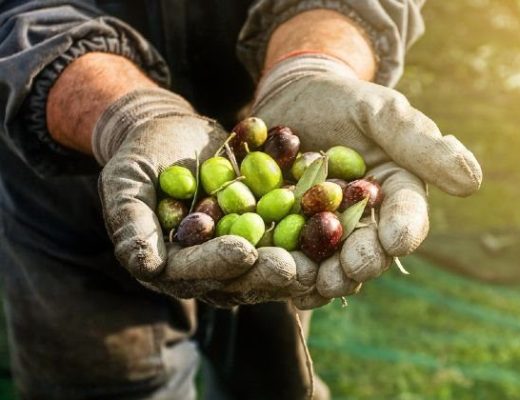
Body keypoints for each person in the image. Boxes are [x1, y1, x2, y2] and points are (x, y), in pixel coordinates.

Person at [0, 1, 482, 399]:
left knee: (275, 380)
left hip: (268, 168)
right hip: (66, 196)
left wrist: (313, 63)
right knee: (107, 386)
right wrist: (129, 114)